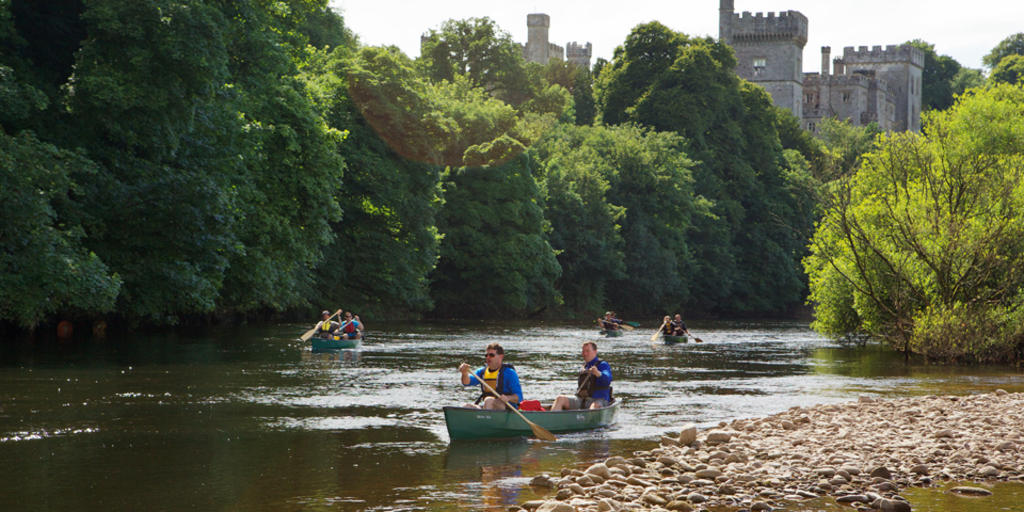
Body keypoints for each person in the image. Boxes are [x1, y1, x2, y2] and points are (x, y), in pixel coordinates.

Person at [459, 342, 523, 410]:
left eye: (492, 355)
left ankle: (486, 418)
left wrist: (508, 398)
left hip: (506, 408)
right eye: (486, 355)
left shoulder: (509, 373)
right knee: (465, 406)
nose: (488, 357)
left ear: (501, 356)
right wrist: (464, 373)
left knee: (488, 400)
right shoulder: (482, 371)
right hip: (487, 407)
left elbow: (519, 397)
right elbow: (466, 382)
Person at [551, 341, 613, 411]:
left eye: (587, 351)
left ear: (595, 352)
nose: (585, 354)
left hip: (598, 400)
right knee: (560, 398)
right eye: (583, 351)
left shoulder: (603, 365)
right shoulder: (584, 366)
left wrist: (598, 373)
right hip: (582, 400)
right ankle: (552, 419)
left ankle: (590, 420)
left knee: (594, 407)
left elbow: (608, 378)